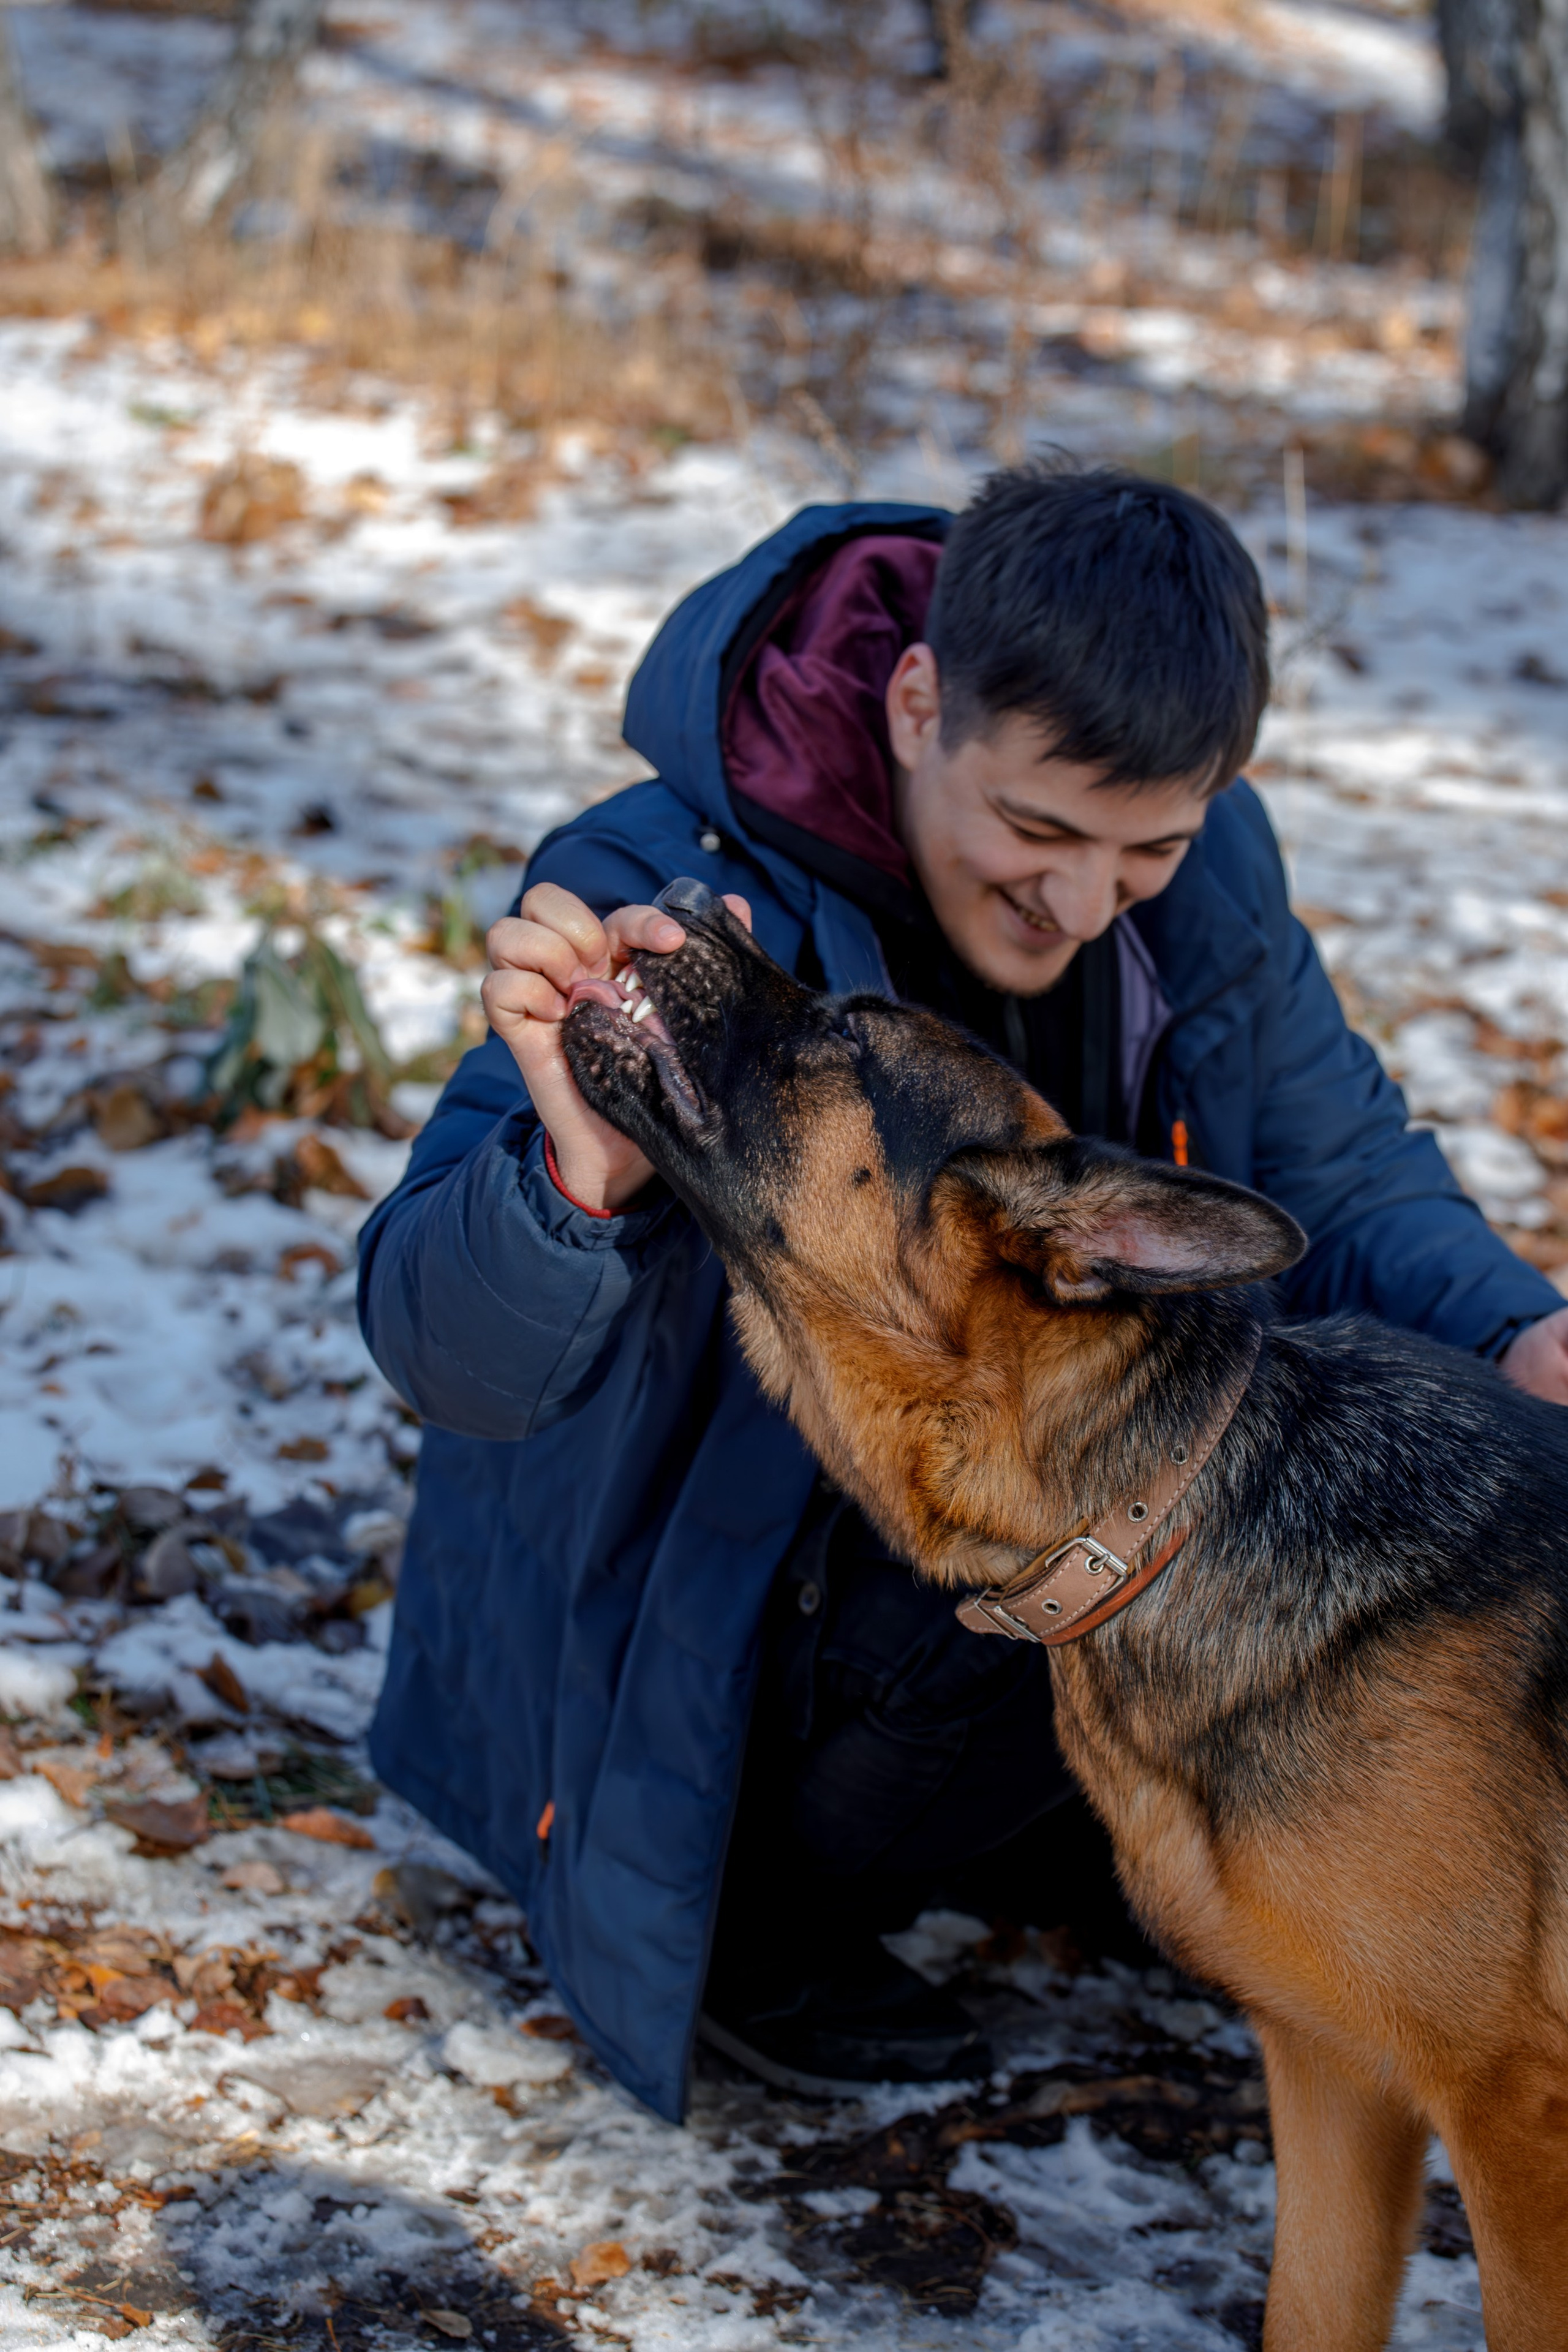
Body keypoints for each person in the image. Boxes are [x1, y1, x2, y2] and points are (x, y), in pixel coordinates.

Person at [358, 464, 1568, 2122]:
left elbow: (1339, 1173)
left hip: (957, 1576)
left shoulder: (1203, 875)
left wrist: (1517, 1331)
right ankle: (756, 1915)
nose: (1084, 900)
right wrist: (580, 1180)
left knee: (1227, 1467)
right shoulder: (665, 889)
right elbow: (444, 1354)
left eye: (1148, 848)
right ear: (919, 701)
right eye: (1040, 831)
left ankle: (1105, 1844)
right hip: (680, 1639)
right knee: (1078, 1510)